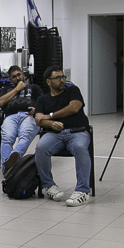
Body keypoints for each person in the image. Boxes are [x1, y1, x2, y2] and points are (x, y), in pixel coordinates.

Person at [33, 66, 91, 207]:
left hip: (77, 131)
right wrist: (51, 124)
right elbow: (38, 119)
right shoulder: (42, 99)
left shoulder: (73, 91)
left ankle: (82, 190)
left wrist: (51, 116)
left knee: (80, 147)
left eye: (63, 77)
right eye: (58, 78)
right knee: (41, 147)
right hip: (54, 134)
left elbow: (74, 107)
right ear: (48, 82)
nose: (62, 80)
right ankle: (48, 185)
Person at [0, 65, 42, 175]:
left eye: (19, 75)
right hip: (11, 116)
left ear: (23, 75)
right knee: (7, 138)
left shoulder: (34, 87)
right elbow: (1, 102)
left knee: (25, 136)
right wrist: (17, 89)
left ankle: (9, 166)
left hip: (29, 115)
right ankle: (9, 168)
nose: (17, 78)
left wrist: (36, 110)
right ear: (10, 79)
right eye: (14, 77)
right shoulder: (6, 89)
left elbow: (44, 103)